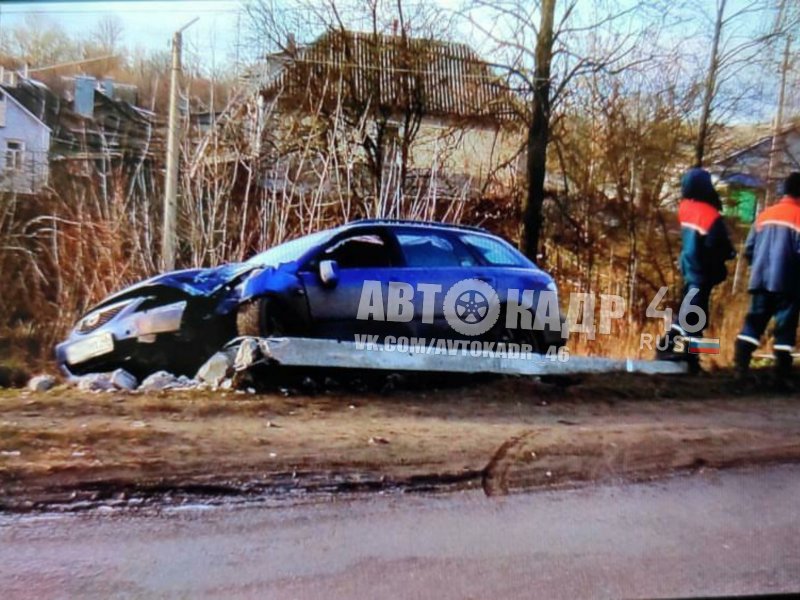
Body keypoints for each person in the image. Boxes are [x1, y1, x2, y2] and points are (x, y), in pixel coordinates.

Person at [658, 168, 736, 370]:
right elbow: (718, 244)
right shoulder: (710, 215)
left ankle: (685, 355)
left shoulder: (685, 208)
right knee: (694, 316)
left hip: (689, 267)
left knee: (691, 313)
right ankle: (674, 351)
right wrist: (728, 255)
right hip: (703, 272)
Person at [734, 172, 800, 383]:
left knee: (754, 322)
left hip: (760, 280)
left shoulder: (764, 215)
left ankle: (741, 364)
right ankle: (780, 373)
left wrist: (758, 268)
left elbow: (750, 249)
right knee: (785, 327)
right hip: (788, 283)